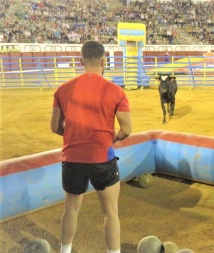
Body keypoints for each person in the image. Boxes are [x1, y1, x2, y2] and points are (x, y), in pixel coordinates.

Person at [51, 41, 132, 253]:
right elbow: (127, 129)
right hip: (102, 158)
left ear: (81, 60)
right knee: (110, 213)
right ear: (104, 61)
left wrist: (73, 135)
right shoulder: (116, 92)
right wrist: (111, 139)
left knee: (71, 209)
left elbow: (55, 127)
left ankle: (65, 250)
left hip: (72, 158)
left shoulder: (62, 90)